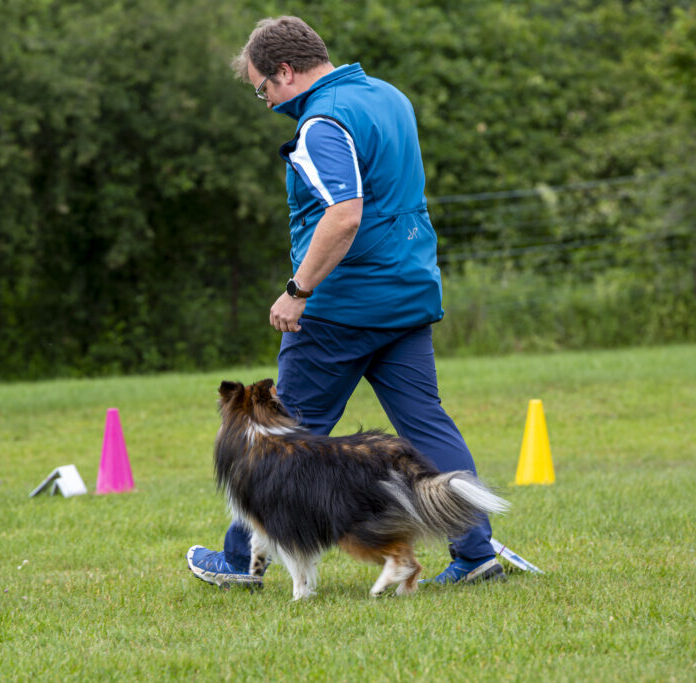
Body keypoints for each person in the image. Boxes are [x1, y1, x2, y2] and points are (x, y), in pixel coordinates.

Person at [186, 16, 503, 589]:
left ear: (286, 71)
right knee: (427, 424)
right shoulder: (388, 96)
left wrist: (298, 291)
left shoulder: (322, 122)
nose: (266, 101)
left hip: (341, 307)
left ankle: (239, 561)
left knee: (279, 434)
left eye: (263, 88)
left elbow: (344, 215)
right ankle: (476, 552)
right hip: (406, 290)